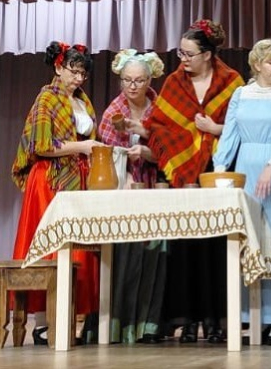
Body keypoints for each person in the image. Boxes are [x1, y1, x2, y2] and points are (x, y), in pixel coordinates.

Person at [134, 20, 243, 343]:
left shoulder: (232, 82)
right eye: (180, 53)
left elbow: (244, 128)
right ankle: (187, 321)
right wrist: (143, 131)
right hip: (181, 174)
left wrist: (213, 130)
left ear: (208, 54)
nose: (182, 59)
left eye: (189, 54)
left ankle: (215, 321)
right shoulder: (173, 82)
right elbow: (160, 126)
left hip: (217, 169)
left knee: (215, 247)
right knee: (184, 247)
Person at [212, 38, 271, 345]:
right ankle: (249, 314)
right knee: (247, 241)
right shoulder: (241, 94)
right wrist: (219, 171)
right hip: (246, 169)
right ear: (256, 64)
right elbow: (230, 135)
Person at [10, 41, 103, 345]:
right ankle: (43, 322)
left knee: (76, 249)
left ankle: (71, 318)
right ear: (59, 67)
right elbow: (41, 145)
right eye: (74, 71)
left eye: (83, 74)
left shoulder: (83, 101)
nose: (78, 78)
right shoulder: (47, 98)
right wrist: (82, 147)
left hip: (78, 177)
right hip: (50, 179)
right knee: (50, 247)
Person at [97, 49, 166, 343]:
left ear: (149, 80)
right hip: (123, 188)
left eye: (138, 80)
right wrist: (124, 173)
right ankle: (119, 326)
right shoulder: (113, 112)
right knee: (124, 255)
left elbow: (174, 148)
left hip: (156, 186)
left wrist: (149, 152)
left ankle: (150, 325)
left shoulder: (160, 109)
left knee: (155, 253)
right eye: (127, 80)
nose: (132, 86)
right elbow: (108, 151)